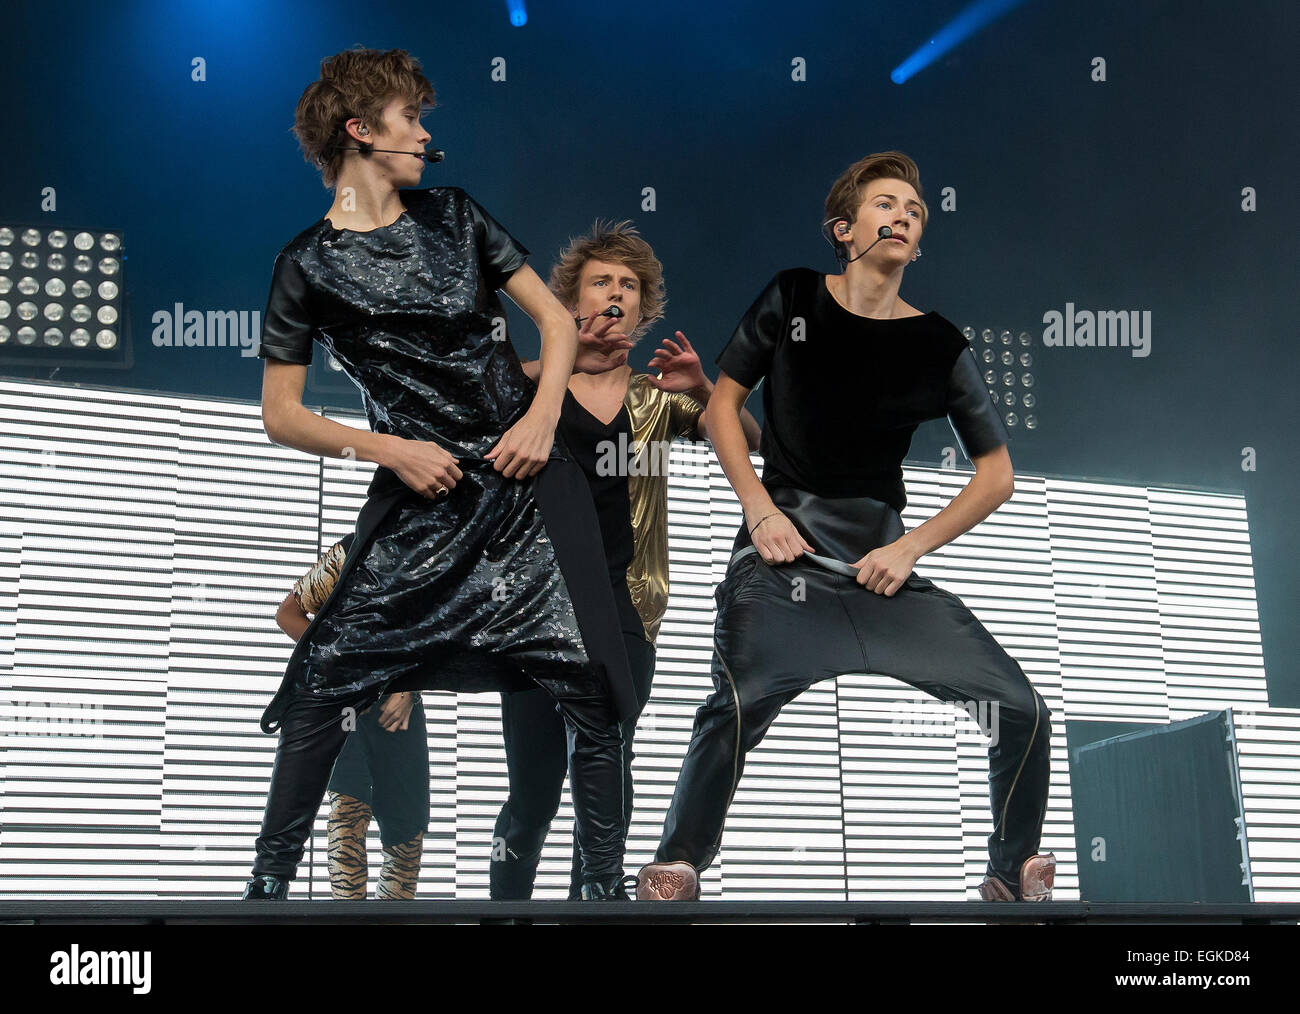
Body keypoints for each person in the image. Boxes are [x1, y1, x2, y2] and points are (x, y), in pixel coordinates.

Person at [243, 46, 637, 901]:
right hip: (423, 497)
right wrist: (389, 449)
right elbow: (282, 416)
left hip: (526, 493)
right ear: (361, 133)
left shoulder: (457, 215)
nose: (425, 134)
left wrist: (540, 419)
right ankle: (265, 895)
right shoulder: (302, 267)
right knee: (322, 677)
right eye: (411, 120)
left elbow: (556, 329)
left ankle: (605, 900)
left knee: (592, 689)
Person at [635, 151, 1056, 903]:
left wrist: (910, 546)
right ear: (844, 227)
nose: (902, 214)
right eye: (885, 203)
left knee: (1020, 708)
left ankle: (1008, 867)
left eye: (915, 210)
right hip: (786, 556)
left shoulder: (939, 344)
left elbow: (997, 475)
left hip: (881, 571)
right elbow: (722, 406)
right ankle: (681, 860)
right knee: (737, 700)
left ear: (919, 240)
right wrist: (759, 512)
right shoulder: (793, 296)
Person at [489, 221, 761, 900]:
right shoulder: (529, 387)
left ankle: (597, 907)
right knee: (532, 794)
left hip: (627, 607)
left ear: (643, 310)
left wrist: (704, 387)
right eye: (602, 281)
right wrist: (561, 353)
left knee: (606, 765)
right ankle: (506, 912)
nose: (616, 292)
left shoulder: (657, 398)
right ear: (570, 301)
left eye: (629, 285)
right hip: (532, 609)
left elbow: (750, 443)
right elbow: (480, 405)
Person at [275, 533, 427, 900]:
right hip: (344, 703)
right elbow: (288, 615)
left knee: (408, 832)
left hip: (399, 707)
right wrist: (344, 666)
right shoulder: (353, 548)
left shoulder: (434, 554)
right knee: (347, 815)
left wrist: (408, 687)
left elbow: (438, 638)